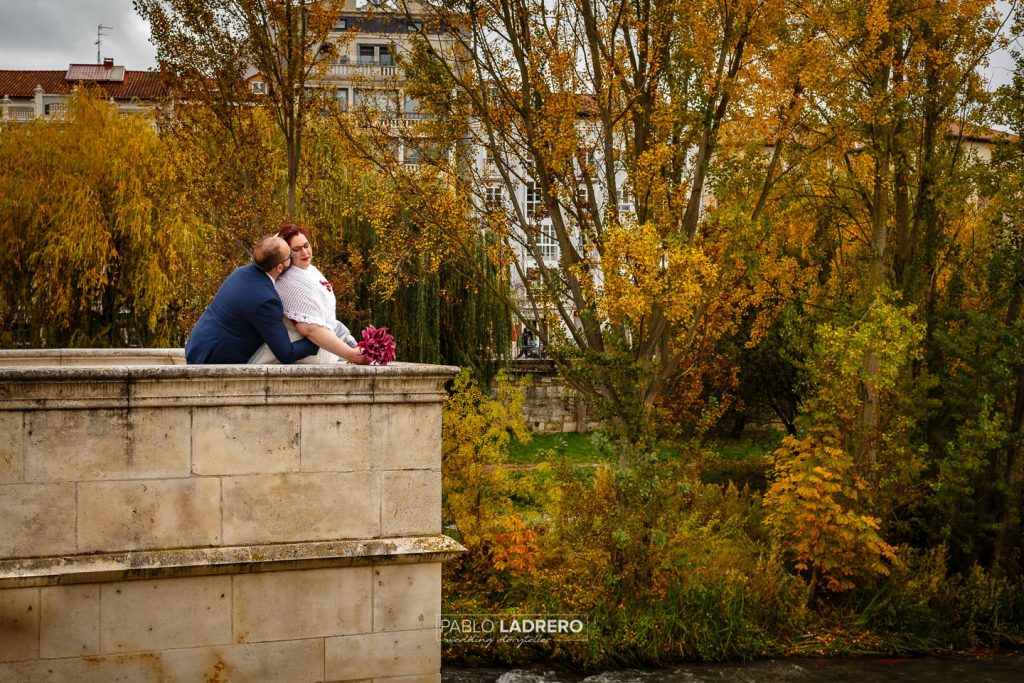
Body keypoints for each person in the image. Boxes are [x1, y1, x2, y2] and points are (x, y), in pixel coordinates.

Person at [185, 236, 320, 364]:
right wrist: (317, 341)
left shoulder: (240, 273)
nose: (293, 256)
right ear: (279, 267)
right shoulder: (266, 301)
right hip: (214, 359)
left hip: (196, 346)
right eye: (290, 255)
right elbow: (286, 354)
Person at [247, 223, 368, 365]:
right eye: (297, 249)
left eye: (306, 245)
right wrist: (352, 354)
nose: (305, 253)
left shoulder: (308, 269)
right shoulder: (287, 279)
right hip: (301, 353)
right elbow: (310, 329)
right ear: (286, 255)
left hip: (320, 347)